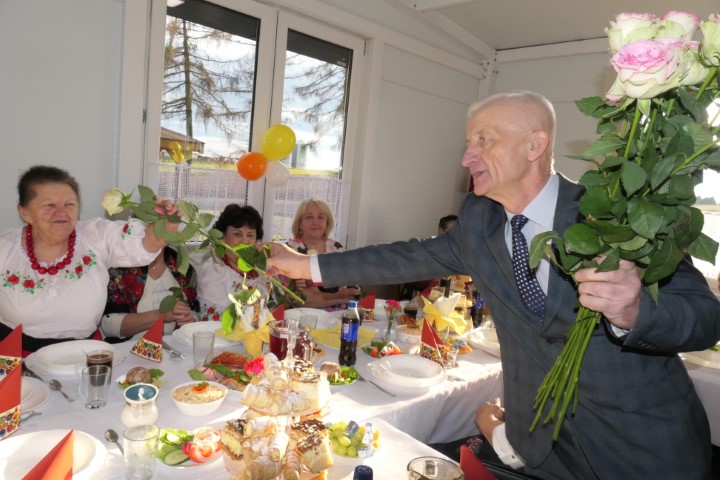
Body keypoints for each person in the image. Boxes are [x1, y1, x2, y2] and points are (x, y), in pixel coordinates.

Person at [265, 91, 720, 479]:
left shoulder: (611, 213)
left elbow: (704, 316)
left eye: (484, 140)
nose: (467, 157)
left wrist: (634, 312)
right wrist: (307, 265)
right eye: (468, 143)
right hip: (547, 451)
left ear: (535, 145)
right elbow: (404, 256)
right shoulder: (478, 220)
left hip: (643, 447)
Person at [0, 165, 179, 353]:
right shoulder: (5, 248)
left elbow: (143, 244)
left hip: (86, 355)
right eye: (49, 205)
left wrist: (165, 224)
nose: (61, 212)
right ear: (25, 213)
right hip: (15, 356)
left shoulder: (95, 236)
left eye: (70, 204)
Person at [101, 246, 199, 341]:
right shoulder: (119, 268)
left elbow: (195, 311)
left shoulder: (183, 267)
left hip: (176, 346)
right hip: (129, 348)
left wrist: (191, 320)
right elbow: (107, 326)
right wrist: (160, 315)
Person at [193, 204, 268, 321]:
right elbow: (216, 320)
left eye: (250, 235)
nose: (245, 241)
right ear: (222, 238)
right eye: (237, 234)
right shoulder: (214, 270)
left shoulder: (261, 268)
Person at [285, 199, 360, 311]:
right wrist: (339, 296)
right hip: (302, 315)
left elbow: (354, 291)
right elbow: (295, 298)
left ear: (327, 223)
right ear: (300, 223)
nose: (315, 222)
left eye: (320, 217)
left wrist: (316, 295)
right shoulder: (289, 250)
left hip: (340, 315)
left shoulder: (337, 249)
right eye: (309, 217)